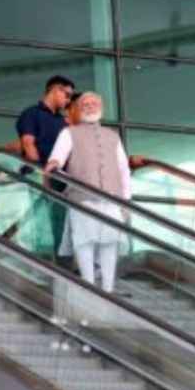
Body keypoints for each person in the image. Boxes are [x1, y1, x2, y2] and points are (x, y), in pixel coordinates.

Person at [44, 92, 131, 294]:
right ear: (78, 108)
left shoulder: (112, 136)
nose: (90, 106)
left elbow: (123, 169)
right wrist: (54, 163)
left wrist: (126, 200)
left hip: (112, 198)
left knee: (110, 243)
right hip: (82, 198)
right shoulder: (69, 133)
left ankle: (107, 289)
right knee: (84, 242)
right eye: (85, 104)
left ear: (101, 108)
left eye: (94, 103)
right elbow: (57, 156)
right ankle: (89, 286)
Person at [16, 75, 74, 255]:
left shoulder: (62, 121)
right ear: (55, 90)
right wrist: (41, 174)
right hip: (40, 176)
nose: (68, 100)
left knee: (61, 222)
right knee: (42, 222)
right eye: (67, 95)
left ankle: (60, 260)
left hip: (62, 179)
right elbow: (28, 143)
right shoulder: (32, 113)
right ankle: (44, 259)